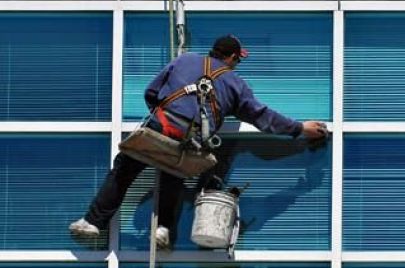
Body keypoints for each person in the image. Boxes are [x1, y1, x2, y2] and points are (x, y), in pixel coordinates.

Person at [69, 34, 328, 248]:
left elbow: (151, 92)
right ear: (232, 57)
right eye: (238, 60)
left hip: (161, 125)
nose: (236, 65)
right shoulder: (235, 83)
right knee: (174, 177)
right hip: (188, 139)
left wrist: (162, 115)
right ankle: (163, 230)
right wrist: (299, 128)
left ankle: (93, 223)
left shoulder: (184, 61)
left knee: (123, 173)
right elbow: (261, 116)